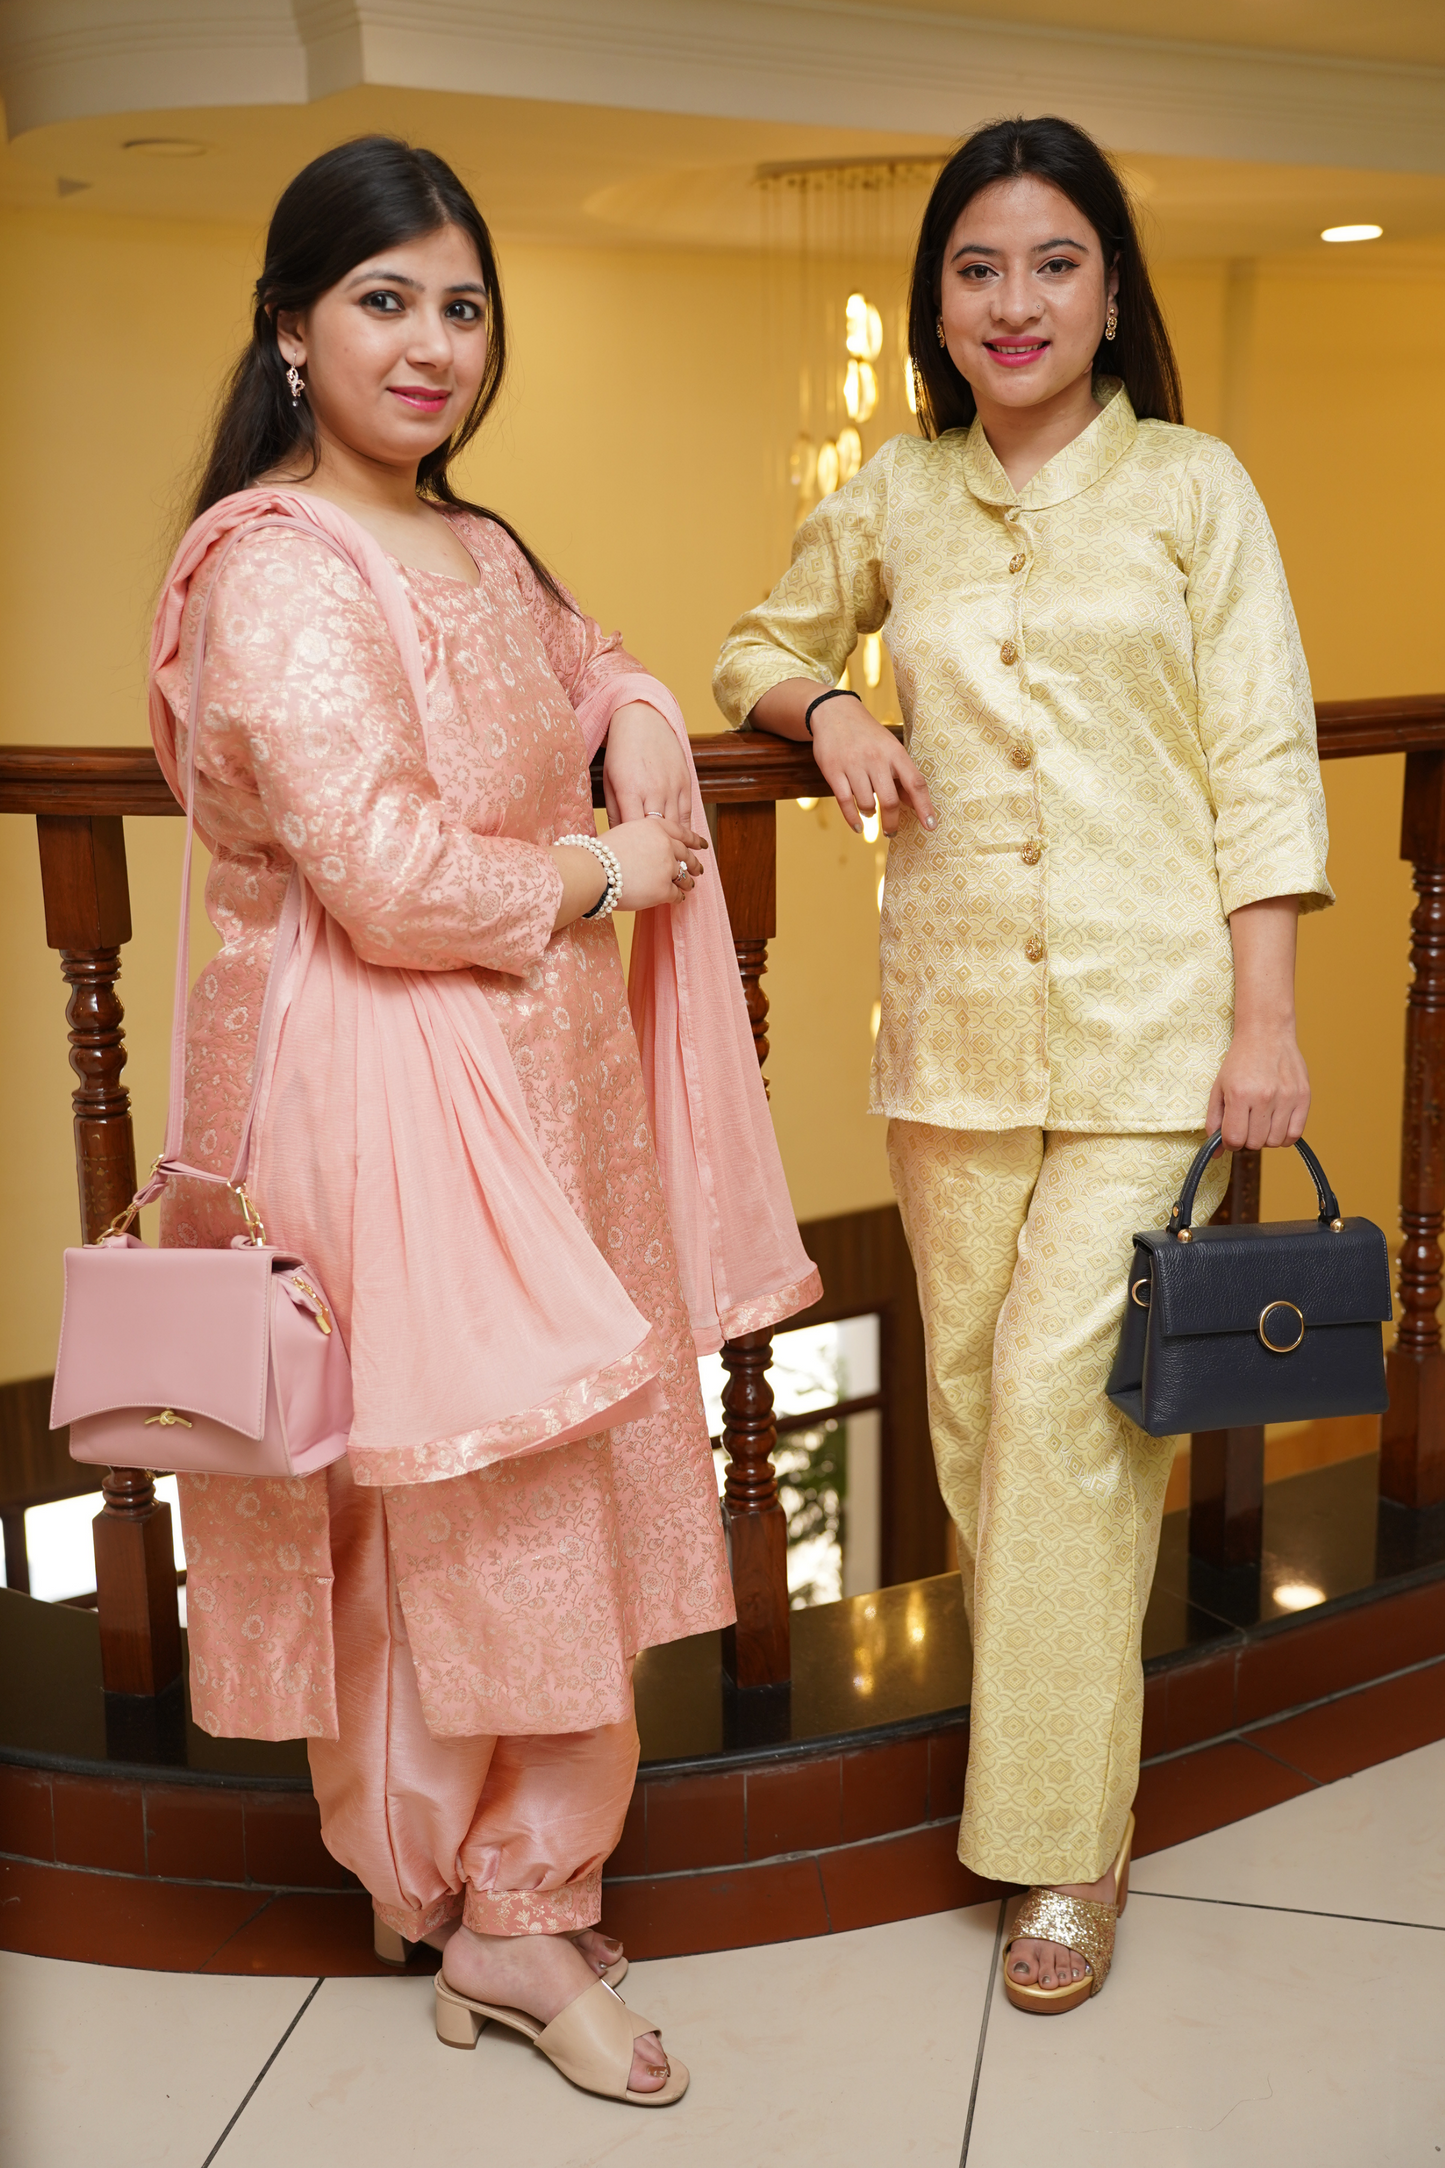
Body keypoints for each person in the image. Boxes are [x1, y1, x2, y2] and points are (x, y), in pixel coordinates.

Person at [150, 135, 818, 2102]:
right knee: (471, 1497)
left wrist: (634, 711)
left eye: (460, 304)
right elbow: (383, 872)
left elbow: (584, 658)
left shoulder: (478, 540)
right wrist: (608, 872)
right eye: (384, 301)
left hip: (542, 1075)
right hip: (390, 1081)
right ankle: (495, 1904)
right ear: (289, 327)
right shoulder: (275, 567)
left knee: (550, 1475)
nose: (432, 343)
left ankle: (492, 1888)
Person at [714, 114, 1329, 2015]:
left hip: (1154, 1034)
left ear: (1111, 291)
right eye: (977, 268)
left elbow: (1264, 756)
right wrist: (828, 707)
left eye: (1053, 263)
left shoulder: (1197, 490)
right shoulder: (897, 494)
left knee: (1062, 1415)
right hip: (955, 1035)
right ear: (936, 304)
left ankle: (1063, 1848)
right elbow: (749, 645)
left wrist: (1268, 1019)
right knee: (981, 1428)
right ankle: (1063, 1767)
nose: (1015, 301)